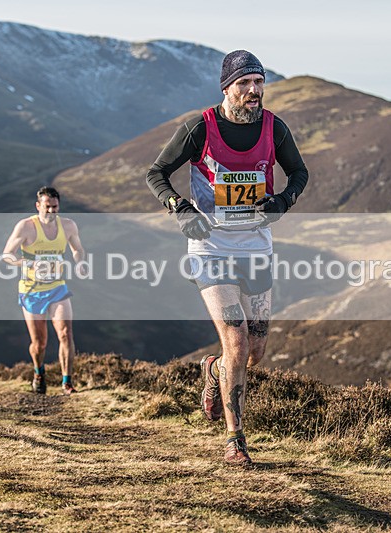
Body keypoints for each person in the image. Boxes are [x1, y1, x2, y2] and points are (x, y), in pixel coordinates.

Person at [147, 50, 308, 465]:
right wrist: (180, 210)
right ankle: (235, 441)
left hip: (256, 246)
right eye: (245, 83)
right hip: (211, 248)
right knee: (235, 339)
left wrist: (283, 201)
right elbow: (156, 173)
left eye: (259, 82)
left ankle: (215, 370)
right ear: (227, 88)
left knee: (255, 351)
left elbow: (300, 173)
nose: (254, 91)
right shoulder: (200, 128)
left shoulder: (274, 128)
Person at [2, 186, 85, 395]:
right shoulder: (26, 227)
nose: (51, 211)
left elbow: (77, 249)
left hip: (57, 288)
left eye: (55, 207)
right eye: (47, 207)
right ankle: (39, 372)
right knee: (40, 344)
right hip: (32, 290)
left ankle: (67, 382)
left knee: (66, 334)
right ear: (38, 206)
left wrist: (80, 262)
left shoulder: (67, 226)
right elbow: (7, 255)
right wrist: (26, 264)